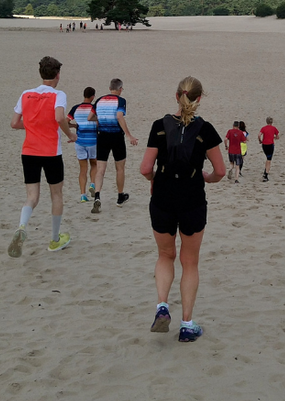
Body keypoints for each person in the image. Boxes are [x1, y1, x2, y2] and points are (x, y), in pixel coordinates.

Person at [139, 76, 225, 342]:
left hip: (163, 197)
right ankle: (187, 324)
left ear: (177, 96)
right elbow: (220, 171)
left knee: (165, 255)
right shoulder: (205, 129)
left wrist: (154, 179)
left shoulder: (158, 126)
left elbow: (144, 168)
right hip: (192, 199)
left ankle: (162, 306)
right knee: (190, 262)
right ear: (199, 99)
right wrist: (206, 177)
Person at [8, 55, 77, 256]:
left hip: (29, 151)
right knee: (56, 194)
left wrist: (33, 125)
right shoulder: (58, 94)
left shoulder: (26, 94)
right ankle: (54, 239)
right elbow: (58, 117)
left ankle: (21, 227)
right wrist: (70, 134)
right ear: (57, 75)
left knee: (32, 196)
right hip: (50, 152)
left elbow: (14, 123)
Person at [92, 78, 138, 208]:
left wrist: (101, 119)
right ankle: (120, 196)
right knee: (120, 168)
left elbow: (90, 117)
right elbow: (119, 116)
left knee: (100, 169)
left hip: (102, 136)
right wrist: (129, 135)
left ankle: (97, 196)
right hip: (116, 136)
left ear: (109, 88)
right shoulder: (120, 100)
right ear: (120, 89)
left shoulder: (99, 100)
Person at [67, 86, 99, 210]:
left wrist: (74, 126)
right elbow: (98, 123)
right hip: (92, 140)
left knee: (82, 169)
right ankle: (92, 183)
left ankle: (82, 195)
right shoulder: (94, 108)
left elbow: (65, 121)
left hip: (79, 141)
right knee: (94, 164)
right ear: (92, 97)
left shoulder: (76, 108)